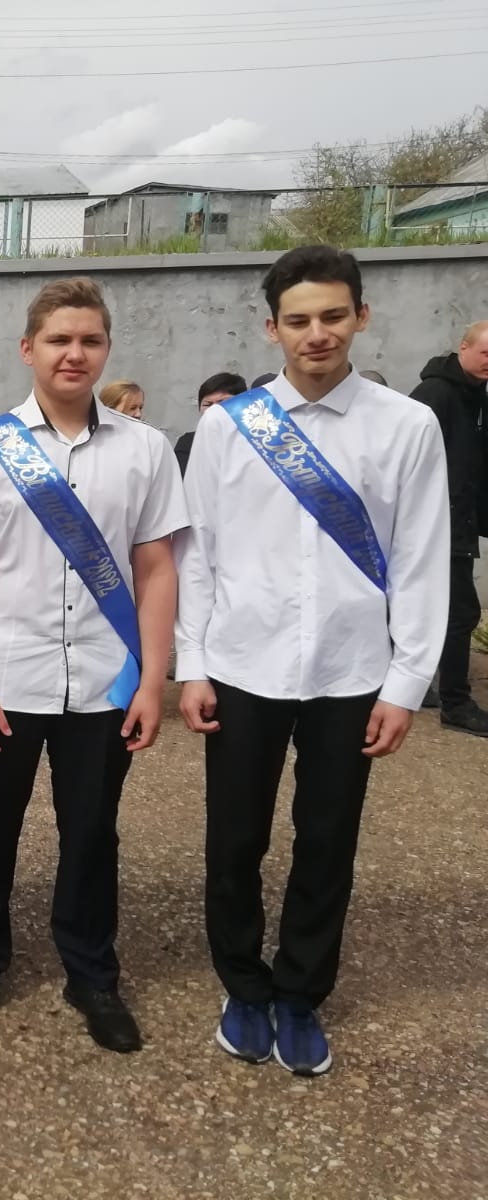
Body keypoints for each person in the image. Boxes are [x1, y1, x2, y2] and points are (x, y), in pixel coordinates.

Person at [177, 246, 448, 1077]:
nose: (316, 333)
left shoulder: (407, 426)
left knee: (327, 840)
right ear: (272, 329)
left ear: (361, 316)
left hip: (350, 670)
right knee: (235, 839)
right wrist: (192, 663)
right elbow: (198, 554)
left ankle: (300, 993)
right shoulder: (229, 427)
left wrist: (407, 683)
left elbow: (423, 558)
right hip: (243, 665)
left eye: (333, 315)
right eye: (298, 320)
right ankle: (243, 985)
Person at [0, 277, 186, 1055]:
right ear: (28, 349)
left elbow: (156, 570)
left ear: (106, 349)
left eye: (89, 340)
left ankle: (92, 974)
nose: (74, 353)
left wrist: (153, 680)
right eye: (59, 339)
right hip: (5, 680)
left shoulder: (145, 450)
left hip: (106, 682)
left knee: (92, 834)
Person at [409, 321, 488, 734]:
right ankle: (455, 704)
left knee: (438, 610)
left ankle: (419, 686)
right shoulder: (435, 394)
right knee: (460, 613)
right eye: (486, 353)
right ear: (463, 348)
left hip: (460, 521)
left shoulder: (478, 395)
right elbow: (407, 456)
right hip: (436, 524)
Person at [175, 372, 247, 475]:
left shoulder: (256, 443)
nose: (214, 410)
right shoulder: (188, 443)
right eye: (207, 404)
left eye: (223, 402)